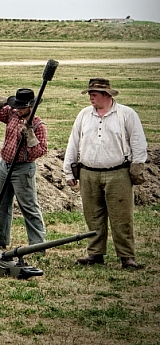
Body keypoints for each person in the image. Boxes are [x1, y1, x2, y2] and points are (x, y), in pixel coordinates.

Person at [63, 78, 148, 269]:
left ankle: (127, 256)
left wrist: (137, 166)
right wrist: (69, 170)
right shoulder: (84, 115)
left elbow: (138, 142)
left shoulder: (126, 114)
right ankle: (95, 254)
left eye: (94, 94)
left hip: (118, 173)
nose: (90, 97)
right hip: (88, 173)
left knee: (122, 217)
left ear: (107, 95)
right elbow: (73, 142)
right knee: (92, 215)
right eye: (90, 94)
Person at [0, 88, 48, 248]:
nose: (17, 109)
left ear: (30, 107)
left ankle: (37, 244)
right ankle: (0, 240)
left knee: (29, 207)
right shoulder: (11, 114)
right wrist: (3, 101)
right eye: (16, 105)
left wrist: (31, 138)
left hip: (23, 169)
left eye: (21, 106)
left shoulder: (38, 125)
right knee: (1, 205)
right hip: (5, 166)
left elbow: (40, 152)